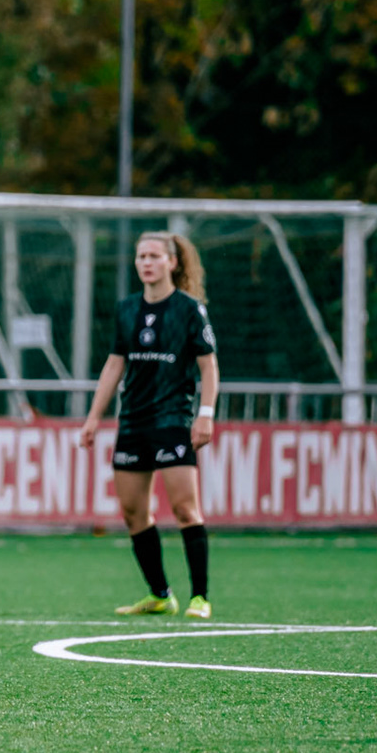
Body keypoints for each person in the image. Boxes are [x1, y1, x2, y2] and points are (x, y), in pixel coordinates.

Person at [78, 231, 220, 619]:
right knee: (132, 512)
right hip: (133, 422)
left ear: (172, 263)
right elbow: (114, 364)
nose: (146, 262)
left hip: (173, 421)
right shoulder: (127, 309)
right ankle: (160, 594)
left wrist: (205, 415)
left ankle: (200, 598)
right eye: (141, 256)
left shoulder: (189, 309)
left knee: (185, 509)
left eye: (154, 256)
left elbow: (208, 366)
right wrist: (93, 418)